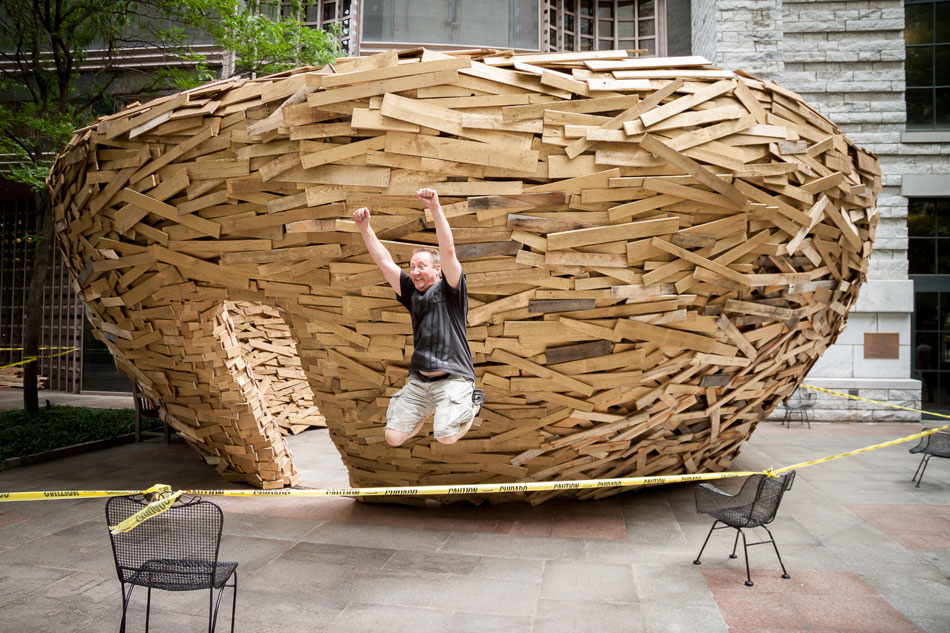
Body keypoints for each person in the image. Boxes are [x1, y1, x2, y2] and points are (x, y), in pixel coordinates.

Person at [353, 188, 483, 446]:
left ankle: (473, 404)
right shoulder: (411, 292)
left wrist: (435, 206)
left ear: (437, 270)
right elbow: (385, 262)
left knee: (446, 437)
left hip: (453, 378)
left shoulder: (451, 290)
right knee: (392, 438)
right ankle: (431, 409)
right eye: (412, 267)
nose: (415, 271)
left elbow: (448, 250)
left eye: (421, 266)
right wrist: (365, 228)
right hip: (420, 381)